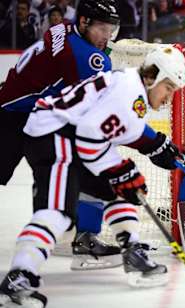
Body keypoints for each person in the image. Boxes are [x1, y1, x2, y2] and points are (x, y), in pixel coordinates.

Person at [0, 44, 185, 307]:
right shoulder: (128, 91)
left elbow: (111, 131)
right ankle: (19, 277)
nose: (169, 97)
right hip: (54, 137)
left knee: (122, 187)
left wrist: (138, 160)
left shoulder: (130, 88)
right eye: (168, 88)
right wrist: (120, 170)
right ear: (152, 77)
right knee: (58, 212)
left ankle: (132, 250)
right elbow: (90, 136)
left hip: (69, 137)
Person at [0, 0, 122, 269]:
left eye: (111, 29)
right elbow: (99, 106)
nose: (107, 36)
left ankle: (65, 232)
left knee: (64, 172)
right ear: (84, 23)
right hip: (17, 116)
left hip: (22, 109)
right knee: (92, 164)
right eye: (102, 28)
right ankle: (84, 238)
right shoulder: (88, 57)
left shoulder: (62, 29)